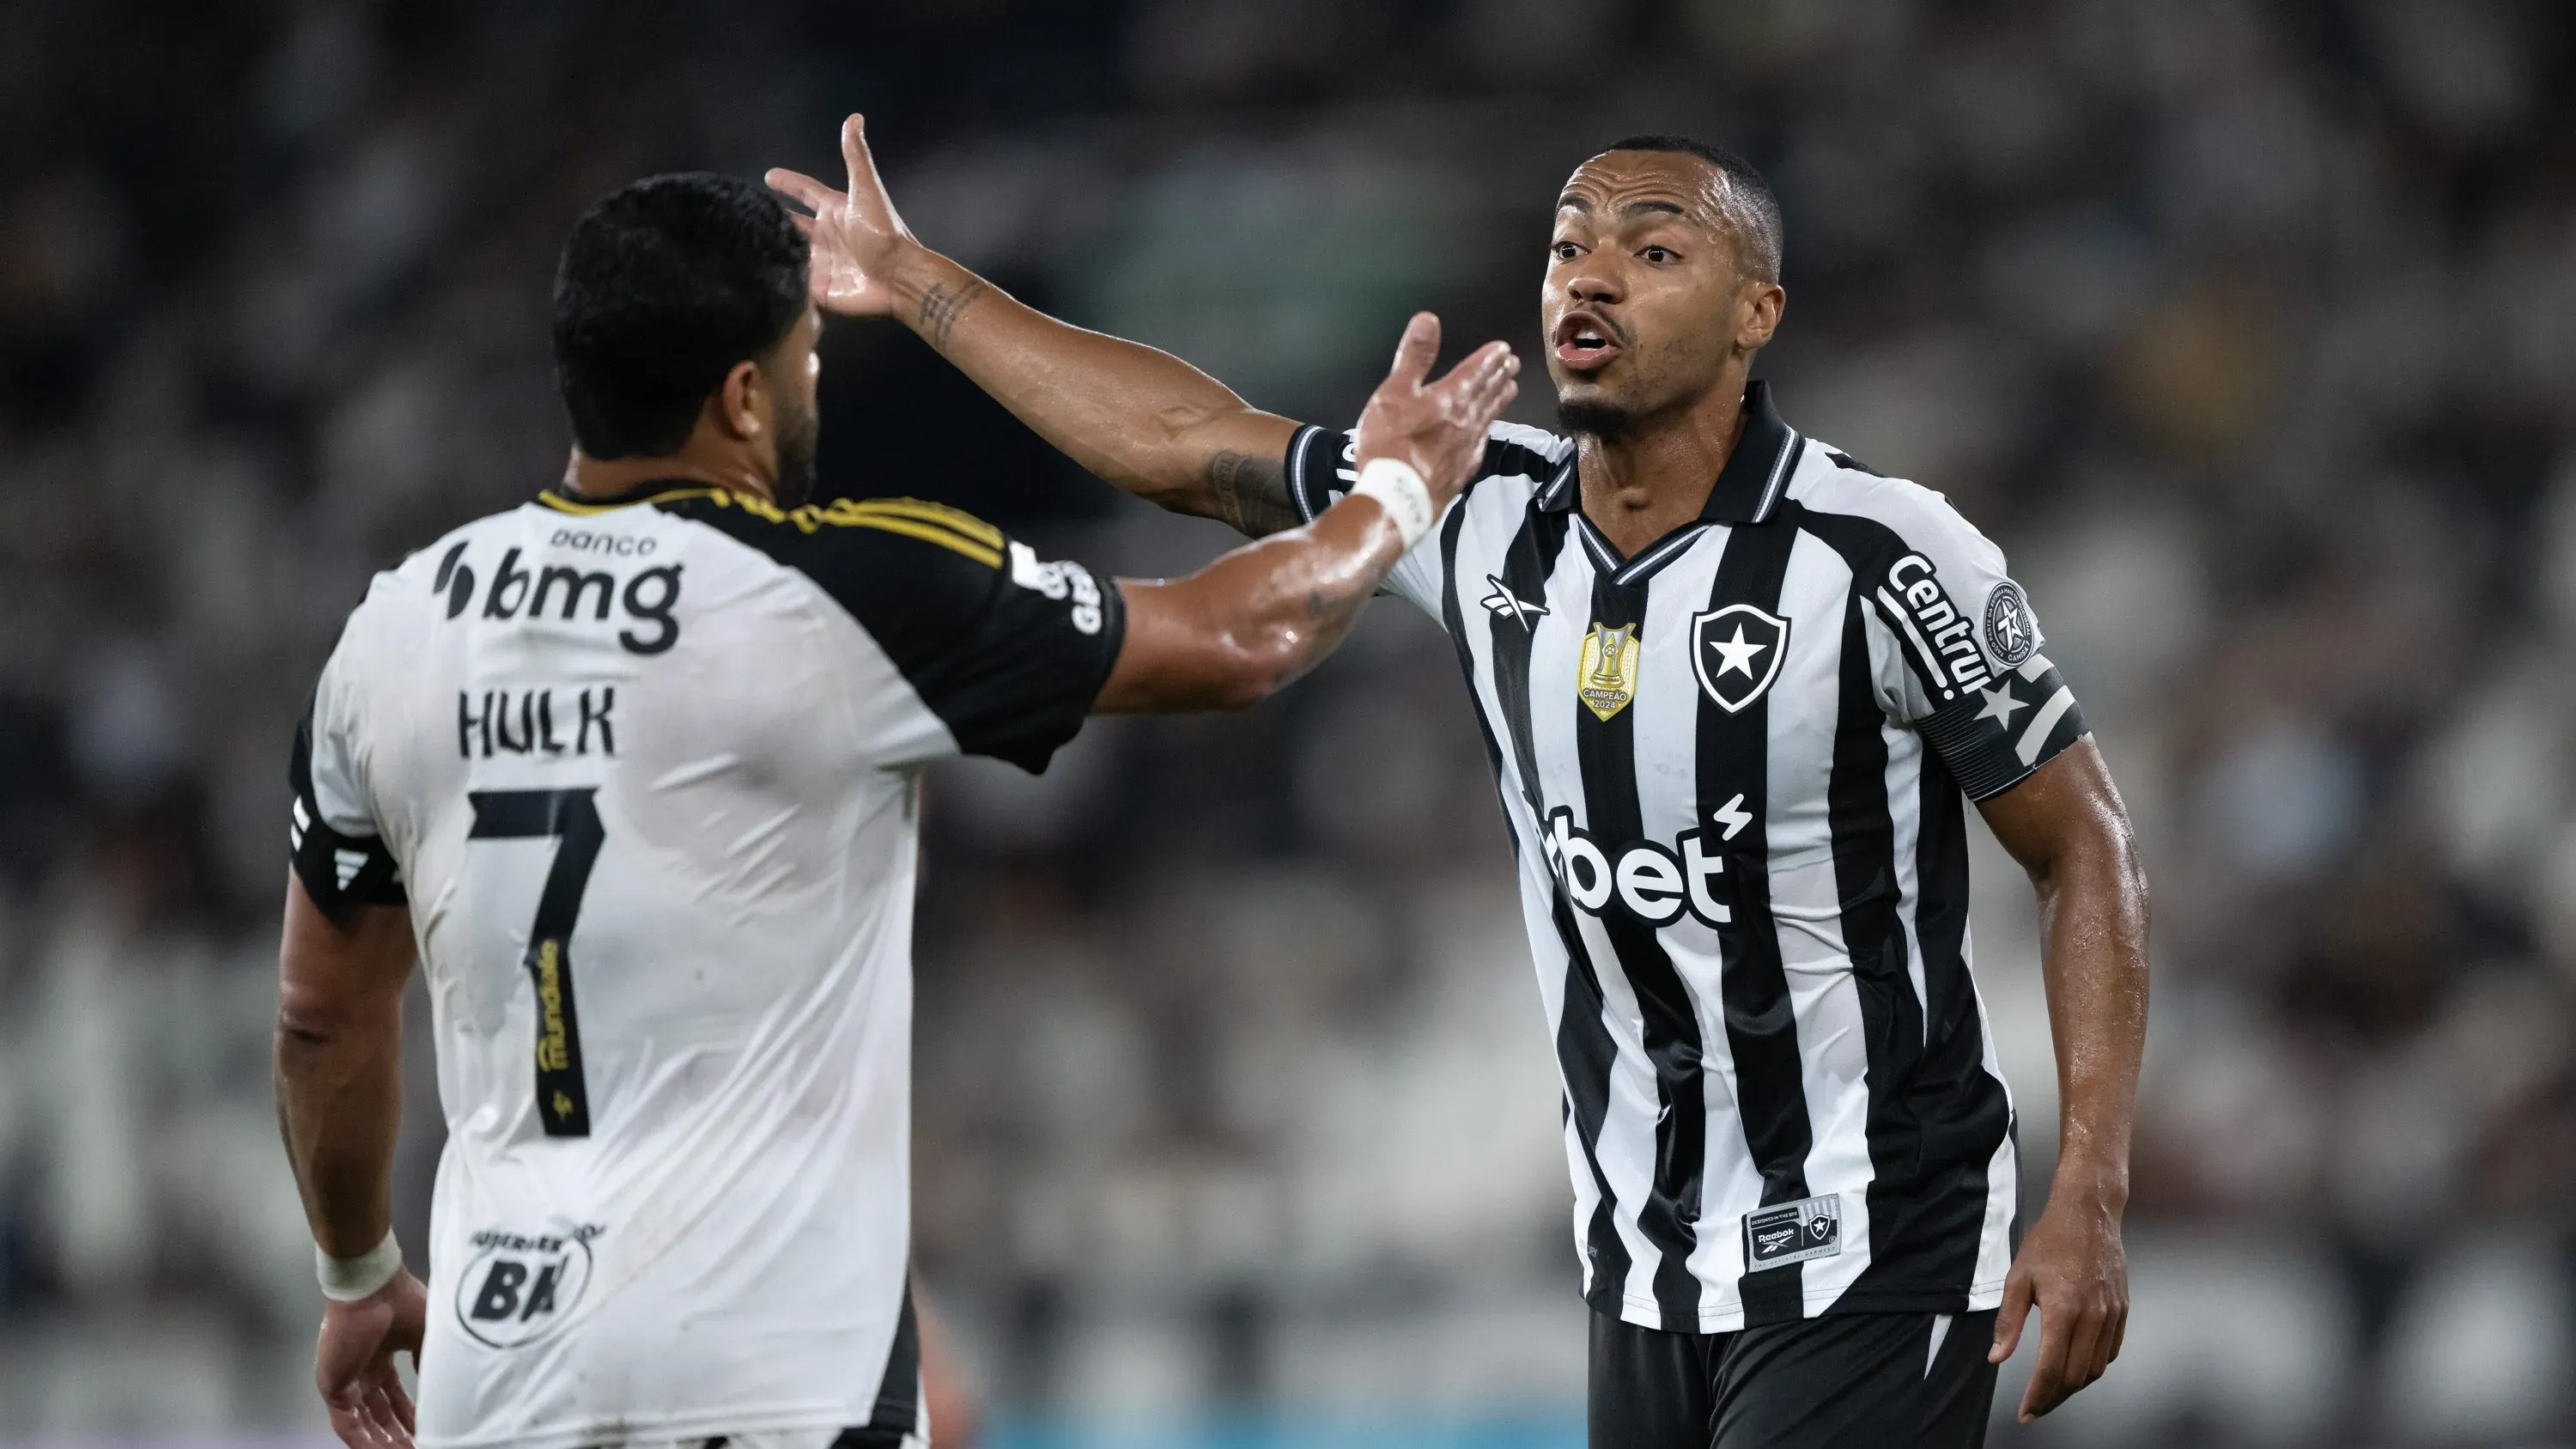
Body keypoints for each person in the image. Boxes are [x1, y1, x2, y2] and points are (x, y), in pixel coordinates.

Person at [767, 118, 2150, 1446]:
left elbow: (2083, 843)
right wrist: (913, 278)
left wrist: (2089, 1182)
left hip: (1877, 1230)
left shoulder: (1882, 554)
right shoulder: (1475, 509)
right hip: (1643, 1259)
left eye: (1653, 250)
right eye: (1569, 244)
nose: (1592, 275)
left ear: (1755, 315)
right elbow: (1185, 441)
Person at [270, 170, 1517, 1449]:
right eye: (804, 360)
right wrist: (1394, 496)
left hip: (503, 1372)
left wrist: (357, 1273)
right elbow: (1235, 639)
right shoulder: (837, 591)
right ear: (744, 395)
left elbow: (321, 1017)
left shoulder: (394, 632)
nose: (812, 390)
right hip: (775, 1374)